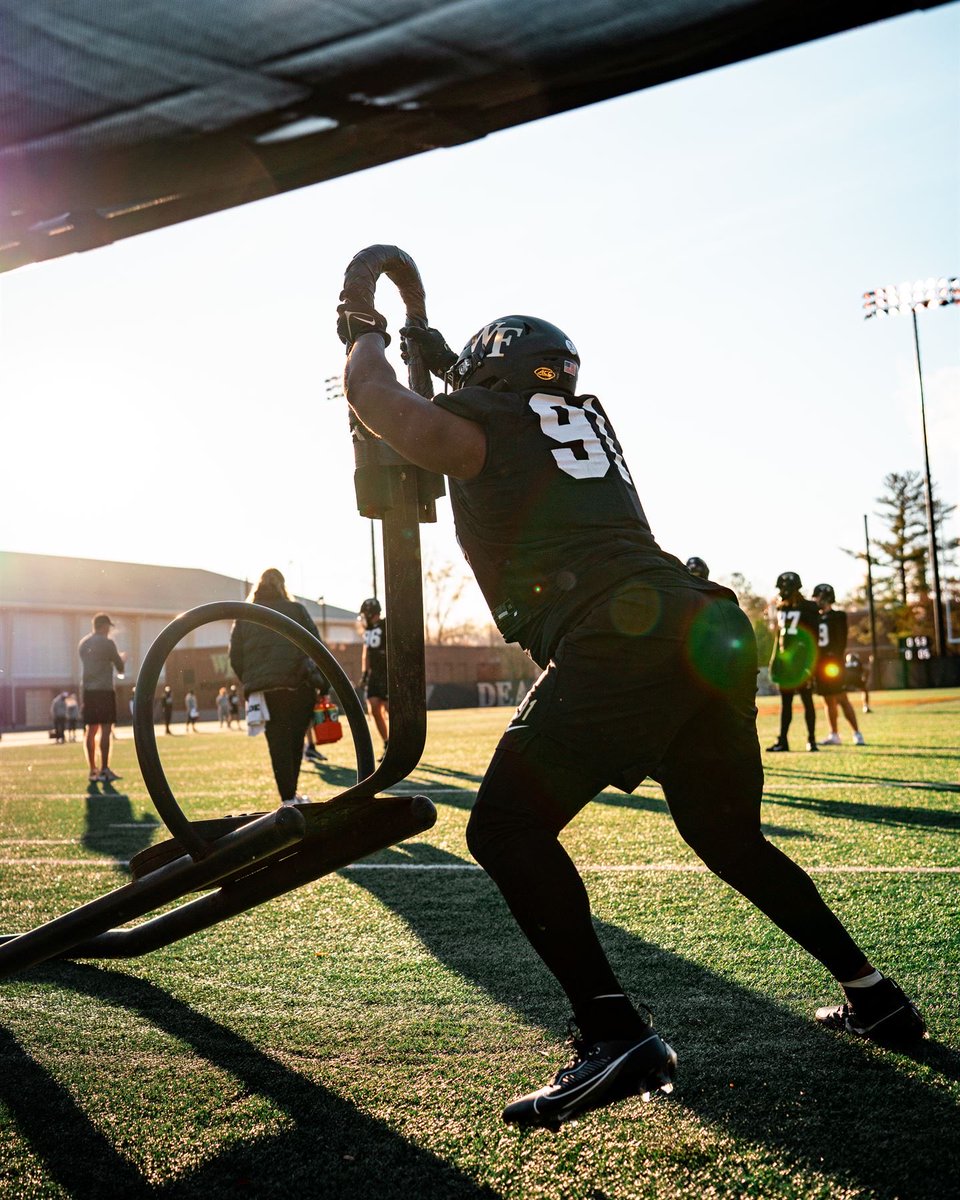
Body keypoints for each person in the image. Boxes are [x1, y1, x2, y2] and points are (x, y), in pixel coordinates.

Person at [337, 298, 924, 1130]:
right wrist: (441, 358)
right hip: (703, 621)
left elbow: (377, 399)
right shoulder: (576, 416)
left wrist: (362, 332)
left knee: (504, 829)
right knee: (730, 838)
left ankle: (612, 1032)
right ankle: (876, 996)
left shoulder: (488, 419)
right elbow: (489, 413)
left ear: (486, 378)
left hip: (623, 629)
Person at [229, 568, 329, 804]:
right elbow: (317, 648)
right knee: (295, 740)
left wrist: (252, 680)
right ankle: (290, 794)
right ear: (282, 586)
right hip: (298, 685)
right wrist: (323, 685)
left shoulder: (246, 615)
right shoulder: (296, 610)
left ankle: (288, 796)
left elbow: (235, 657)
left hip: (266, 691)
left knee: (277, 743)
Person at [767, 572, 819, 753]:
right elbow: (779, 637)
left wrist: (811, 665)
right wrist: (774, 660)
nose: (781, 592)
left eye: (783, 588)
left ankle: (811, 740)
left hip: (801, 662)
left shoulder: (808, 608)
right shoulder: (781, 608)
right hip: (786, 663)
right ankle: (783, 740)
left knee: (807, 701)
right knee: (787, 703)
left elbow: (814, 638)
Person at [813, 584, 865, 746]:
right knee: (827, 700)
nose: (816, 600)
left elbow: (841, 641)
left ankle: (857, 733)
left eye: (818, 597)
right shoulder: (814, 617)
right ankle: (834, 734)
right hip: (820, 665)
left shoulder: (838, 616)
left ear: (825, 598)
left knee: (842, 698)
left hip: (833, 664)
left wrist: (834, 658)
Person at [78, 612, 126, 784]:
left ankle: (93, 769)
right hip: (104, 691)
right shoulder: (108, 643)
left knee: (91, 730)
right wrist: (122, 659)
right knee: (106, 729)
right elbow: (120, 667)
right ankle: (105, 769)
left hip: (88, 691)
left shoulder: (83, 644)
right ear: (104, 626)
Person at [358, 597, 389, 755]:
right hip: (375, 674)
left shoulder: (386, 626)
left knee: (390, 708)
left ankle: (399, 744)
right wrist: (365, 673)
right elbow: (367, 653)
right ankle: (387, 743)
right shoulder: (368, 630)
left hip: (387, 672)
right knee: (374, 707)